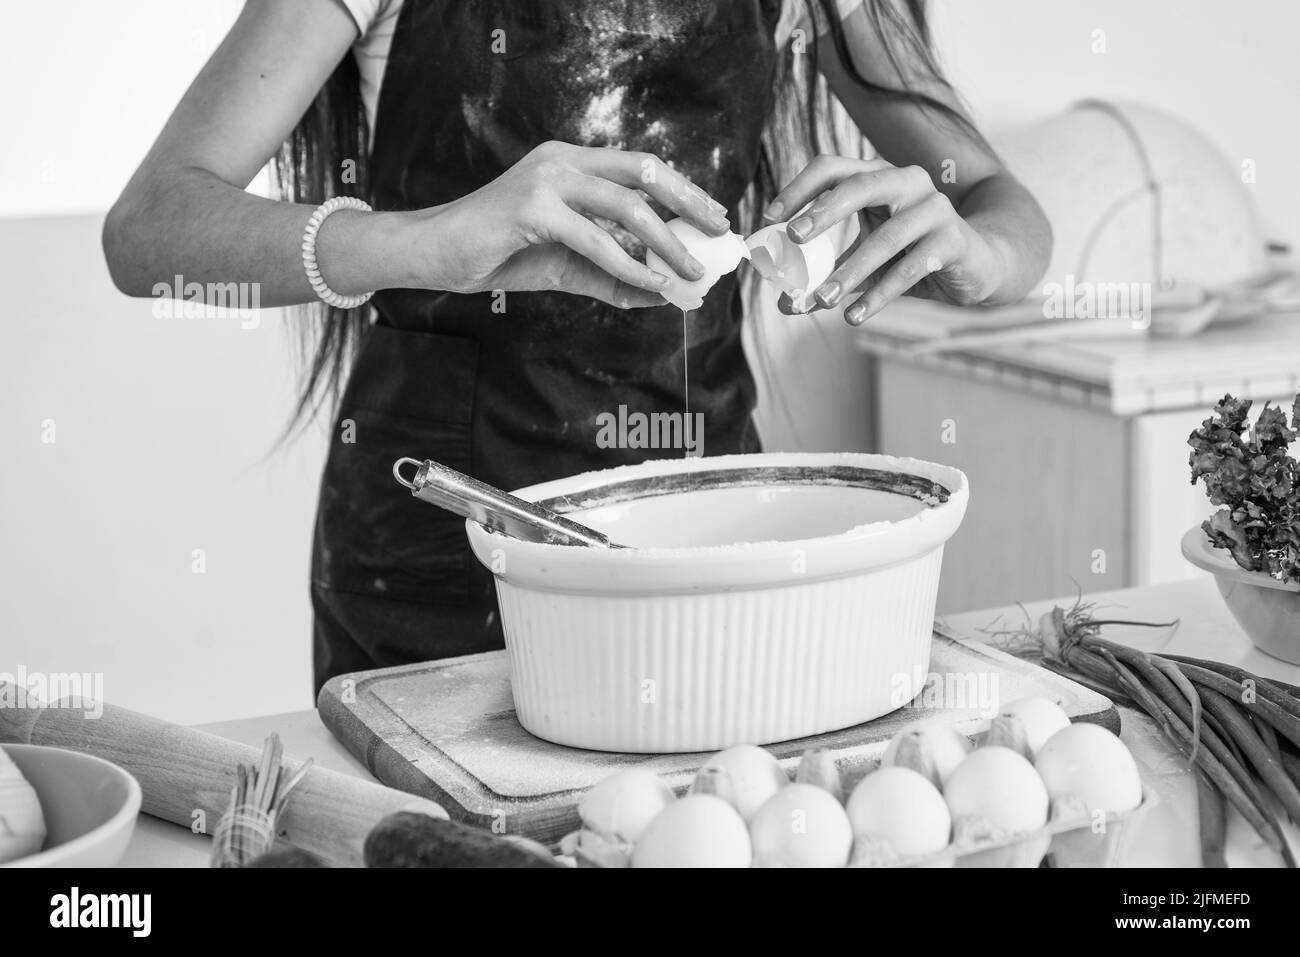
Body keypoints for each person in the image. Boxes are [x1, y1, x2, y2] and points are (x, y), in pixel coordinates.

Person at [102, 0, 1051, 695]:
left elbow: (1005, 211)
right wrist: (435, 242)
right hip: (440, 552)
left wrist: (978, 252)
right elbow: (150, 231)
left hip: (715, 534)